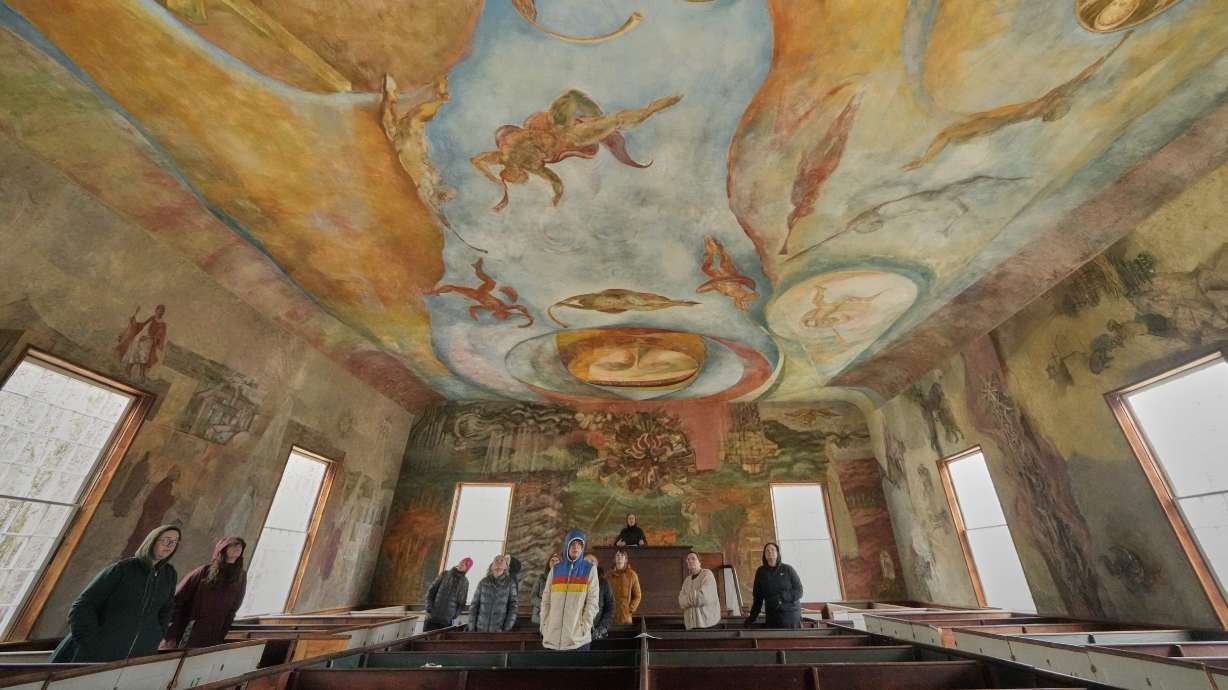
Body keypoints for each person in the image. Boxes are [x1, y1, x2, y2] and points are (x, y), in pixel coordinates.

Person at [51, 525, 181, 662]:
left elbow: (166, 609)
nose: (170, 546)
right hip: (95, 652)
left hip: (139, 653)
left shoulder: (169, 575)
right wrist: (91, 641)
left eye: (174, 542)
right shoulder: (122, 570)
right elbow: (83, 605)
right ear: (152, 540)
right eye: (166, 540)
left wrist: (156, 635)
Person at [161, 536, 246, 649]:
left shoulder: (241, 576)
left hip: (214, 632)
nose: (238, 547)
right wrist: (171, 631)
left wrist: (222, 633)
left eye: (240, 545)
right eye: (233, 544)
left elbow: (234, 607)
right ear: (222, 548)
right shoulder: (204, 571)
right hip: (189, 629)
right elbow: (177, 599)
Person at [539, 529, 600, 651]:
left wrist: (584, 627)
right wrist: (544, 625)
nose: (576, 547)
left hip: (578, 640)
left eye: (579, 544)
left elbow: (593, 602)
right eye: (573, 544)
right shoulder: (555, 570)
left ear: (582, 548)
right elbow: (546, 600)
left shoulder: (589, 569)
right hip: (552, 638)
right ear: (567, 545)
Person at [745, 542, 803, 629]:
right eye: (767, 551)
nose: (770, 552)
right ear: (764, 555)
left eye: (773, 550)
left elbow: (799, 591)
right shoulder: (761, 572)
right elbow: (758, 598)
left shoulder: (788, 569)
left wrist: (781, 597)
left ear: (777, 553)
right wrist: (752, 618)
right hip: (772, 616)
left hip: (791, 616)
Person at [468, 555, 518, 633]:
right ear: (492, 566)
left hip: (499, 631)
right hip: (479, 630)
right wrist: (471, 628)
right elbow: (474, 605)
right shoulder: (483, 582)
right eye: (496, 560)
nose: (499, 562)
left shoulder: (510, 583)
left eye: (502, 561)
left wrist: (506, 628)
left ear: (506, 567)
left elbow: (513, 606)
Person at [425, 557, 471, 631]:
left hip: (446, 621)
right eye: (462, 561)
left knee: (441, 642)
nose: (462, 564)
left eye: (465, 564)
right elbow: (431, 591)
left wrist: (454, 615)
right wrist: (428, 609)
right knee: (424, 640)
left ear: (467, 568)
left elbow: (462, 603)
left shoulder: (465, 582)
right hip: (432, 617)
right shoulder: (445, 574)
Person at [678, 551, 721, 630]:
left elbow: (703, 598)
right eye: (688, 559)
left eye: (693, 559)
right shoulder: (687, 581)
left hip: (707, 624)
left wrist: (688, 599)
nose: (690, 561)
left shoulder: (707, 575)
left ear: (699, 562)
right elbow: (681, 602)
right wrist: (694, 596)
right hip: (691, 625)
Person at [607, 550, 642, 626]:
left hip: (625, 617)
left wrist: (629, 609)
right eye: (617, 555)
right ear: (614, 559)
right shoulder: (608, 575)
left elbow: (637, 595)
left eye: (622, 556)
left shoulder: (632, 575)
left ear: (626, 559)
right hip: (610, 616)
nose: (619, 557)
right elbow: (604, 595)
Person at [585, 555, 615, 639]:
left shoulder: (603, 582)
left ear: (596, 565)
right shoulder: (575, 581)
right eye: (587, 561)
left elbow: (610, 607)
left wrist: (602, 627)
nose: (589, 563)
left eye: (592, 561)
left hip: (596, 630)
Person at [531, 554, 561, 624]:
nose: (554, 562)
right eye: (552, 560)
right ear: (548, 563)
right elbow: (533, 597)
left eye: (557, 561)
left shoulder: (564, 579)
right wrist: (545, 605)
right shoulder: (541, 578)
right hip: (540, 615)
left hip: (557, 616)